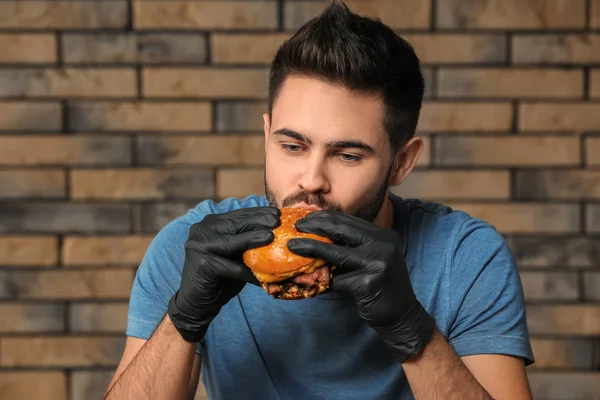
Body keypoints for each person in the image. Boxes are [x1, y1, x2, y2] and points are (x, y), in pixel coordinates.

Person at [104, 2, 535, 399]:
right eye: (292, 146)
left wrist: (410, 328)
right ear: (266, 135)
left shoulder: (464, 255)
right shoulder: (193, 247)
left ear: (402, 162)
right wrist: (184, 319)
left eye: (347, 155)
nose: (311, 180)